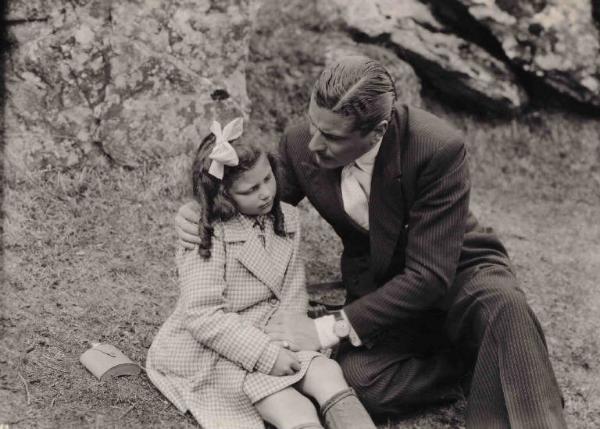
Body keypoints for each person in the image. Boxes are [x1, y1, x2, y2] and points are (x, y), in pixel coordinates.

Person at [175, 57, 567, 428]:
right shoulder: (299, 143)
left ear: (377, 132)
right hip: (382, 286)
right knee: (359, 382)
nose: (313, 144)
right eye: (313, 124)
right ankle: (477, 362)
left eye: (330, 136)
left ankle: (509, 369)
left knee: (503, 305)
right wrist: (202, 212)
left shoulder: (436, 148)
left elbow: (430, 275)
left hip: (458, 269)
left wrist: (329, 328)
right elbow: (263, 207)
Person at [146, 117, 376, 429]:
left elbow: (293, 289)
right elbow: (202, 314)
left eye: (268, 179)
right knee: (291, 406)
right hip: (217, 345)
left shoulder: (288, 218)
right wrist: (266, 354)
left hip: (273, 329)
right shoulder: (209, 232)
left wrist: (293, 334)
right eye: (250, 190)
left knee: (327, 373)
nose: (266, 193)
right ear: (224, 196)